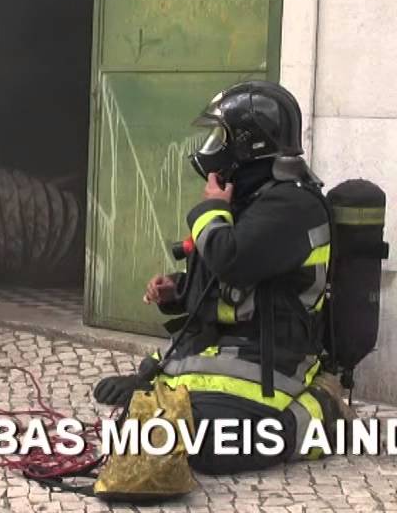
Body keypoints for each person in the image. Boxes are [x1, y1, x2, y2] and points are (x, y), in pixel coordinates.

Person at [93, 81, 354, 475]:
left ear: (249, 146)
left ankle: (322, 409)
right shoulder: (252, 201)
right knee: (149, 434)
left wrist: (212, 210)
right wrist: (177, 290)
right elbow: (224, 283)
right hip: (213, 353)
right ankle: (154, 386)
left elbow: (230, 259)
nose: (213, 149)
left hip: (268, 361)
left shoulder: (292, 207)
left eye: (222, 137)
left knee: (214, 450)